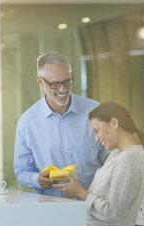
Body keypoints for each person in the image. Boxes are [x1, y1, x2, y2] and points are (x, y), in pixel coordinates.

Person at [0, 101, 144, 226]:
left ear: (114, 122)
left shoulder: (129, 158)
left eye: (97, 131)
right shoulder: (118, 155)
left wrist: (79, 192)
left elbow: (114, 212)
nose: (96, 139)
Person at [14, 51, 108, 198]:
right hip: (50, 209)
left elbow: (110, 158)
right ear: (40, 81)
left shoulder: (94, 111)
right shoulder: (27, 122)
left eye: (67, 82)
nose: (63, 90)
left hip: (93, 207)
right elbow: (22, 172)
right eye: (55, 84)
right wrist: (37, 180)